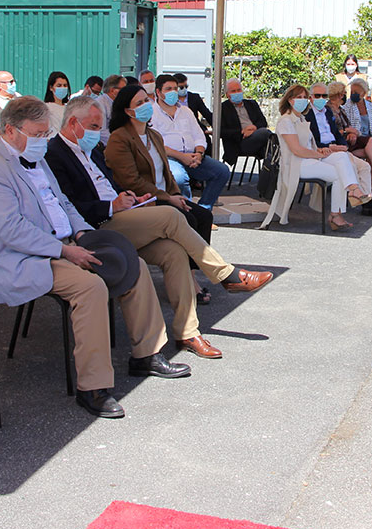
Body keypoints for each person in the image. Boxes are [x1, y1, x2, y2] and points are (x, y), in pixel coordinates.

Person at [0, 96, 189, 418]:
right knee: (91, 288)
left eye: (46, 133)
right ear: (9, 131)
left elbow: (65, 204)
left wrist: (84, 234)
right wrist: (65, 250)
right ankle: (93, 387)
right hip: (27, 258)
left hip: (65, 244)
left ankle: (146, 354)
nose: (43, 141)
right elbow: (11, 231)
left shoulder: (37, 157)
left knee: (133, 263)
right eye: (37, 134)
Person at [46, 96, 272, 358]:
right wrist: (112, 206)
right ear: (73, 123)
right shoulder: (54, 154)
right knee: (170, 216)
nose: (98, 133)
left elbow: (111, 185)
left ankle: (188, 333)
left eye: (99, 127)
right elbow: (69, 207)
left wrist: (130, 197)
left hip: (122, 217)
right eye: (94, 127)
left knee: (173, 251)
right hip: (97, 228)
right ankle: (226, 275)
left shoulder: (93, 149)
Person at [104, 84, 215, 242]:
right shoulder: (120, 138)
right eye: (139, 103)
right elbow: (131, 181)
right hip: (147, 199)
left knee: (204, 216)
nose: (146, 106)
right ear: (128, 111)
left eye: (146, 100)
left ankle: (195, 266)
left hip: (167, 196)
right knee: (189, 220)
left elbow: (166, 172)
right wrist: (168, 199)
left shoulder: (154, 135)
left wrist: (177, 195)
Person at [260, 84, 368, 231]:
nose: (303, 100)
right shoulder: (286, 121)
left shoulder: (302, 119)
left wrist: (322, 150)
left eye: (305, 97)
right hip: (296, 164)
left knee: (342, 157)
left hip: (309, 158)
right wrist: (317, 154)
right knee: (338, 174)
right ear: (290, 100)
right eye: (299, 97)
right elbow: (297, 150)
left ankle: (353, 189)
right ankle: (338, 212)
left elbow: (309, 145)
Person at [305, 82, 372, 217]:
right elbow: (309, 139)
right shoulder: (306, 115)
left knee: (364, 166)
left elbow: (336, 133)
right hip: (322, 151)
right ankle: (355, 193)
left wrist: (343, 146)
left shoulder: (327, 112)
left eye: (323, 96)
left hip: (337, 149)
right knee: (349, 163)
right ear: (311, 97)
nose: (320, 98)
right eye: (317, 96)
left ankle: (366, 201)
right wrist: (329, 147)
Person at [149, 74, 229, 209]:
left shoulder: (186, 111)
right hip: (169, 158)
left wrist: (199, 153)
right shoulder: (152, 113)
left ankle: (203, 209)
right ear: (158, 92)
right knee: (179, 178)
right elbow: (157, 144)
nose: (173, 92)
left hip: (193, 156)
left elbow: (199, 135)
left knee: (222, 171)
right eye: (168, 89)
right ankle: (186, 212)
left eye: (176, 88)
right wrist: (182, 157)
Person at [341, 78, 372, 193]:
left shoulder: (370, 107)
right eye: (351, 92)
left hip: (368, 140)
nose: (353, 95)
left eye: (356, 92)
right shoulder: (347, 106)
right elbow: (345, 125)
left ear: (364, 93)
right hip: (355, 139)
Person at [218, 77, 271, 168]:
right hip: (239, 143)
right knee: (266, 134)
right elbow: (222, 131)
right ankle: (270, 177)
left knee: (269, 151)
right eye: (233, 91)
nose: (237, 93)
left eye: (239, 90)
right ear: (227, 94)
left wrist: (253, 128)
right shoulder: (223, 108)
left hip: (256, 138)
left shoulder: (252, 104)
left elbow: (263, 122)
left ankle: (267, 178)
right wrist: (242, 132)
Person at [95, 74, 126, 142]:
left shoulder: (119, 103)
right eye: (123, 89)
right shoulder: (100, 104)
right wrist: (121, 140)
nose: (126, 92)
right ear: (112, 90)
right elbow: (101, 131)